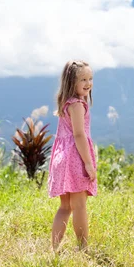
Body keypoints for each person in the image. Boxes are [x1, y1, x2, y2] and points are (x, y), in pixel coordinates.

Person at [48, 60, 97, 252]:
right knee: (79, 206)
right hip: (75, 158)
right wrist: (88, 163)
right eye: (83, 79)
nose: (88, 83)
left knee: (65, 207)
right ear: (71, 82)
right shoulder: (77, 105)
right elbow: (79, 135)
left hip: (62, 158)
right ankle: (83, 248)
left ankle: (54, 248)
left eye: (90, 78)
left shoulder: (66, 103)